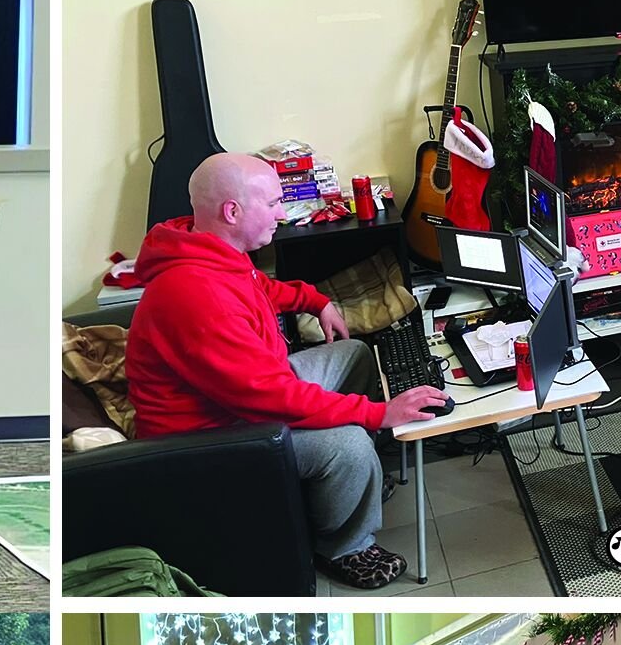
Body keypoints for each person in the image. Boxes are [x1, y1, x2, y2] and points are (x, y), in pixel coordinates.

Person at [124, 154, 448, 590]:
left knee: (352, 353)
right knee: (348, 444)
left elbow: (260, 289)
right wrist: (378, 414)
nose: (283, 213)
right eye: (274, 203)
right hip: (209, 443)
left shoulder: (209, 249)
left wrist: (315, 300)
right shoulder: (193, 294)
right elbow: (270, 397)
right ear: (232, 211)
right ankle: (345, 547)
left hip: (243, 401)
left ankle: (343, 491)